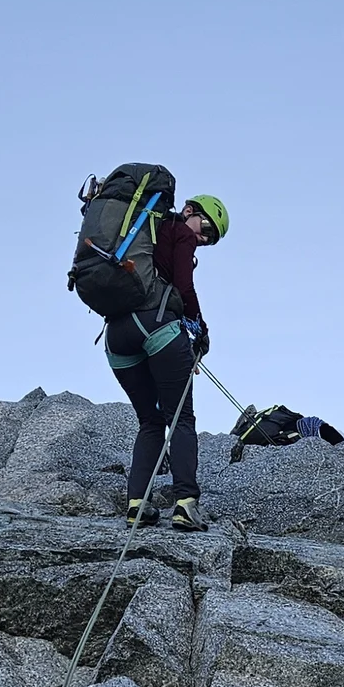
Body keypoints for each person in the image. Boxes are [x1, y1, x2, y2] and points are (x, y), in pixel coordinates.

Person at [104, 194, 228, 529]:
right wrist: (200, 328)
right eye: (205, 226)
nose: (202, 238)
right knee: (181, 419)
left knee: (150, 421)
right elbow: (185, 289)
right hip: (157, 326)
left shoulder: (145, 229)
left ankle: (137, 504)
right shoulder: (180, 231)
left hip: (116, 335)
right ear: (190, 210)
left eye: (209, 239)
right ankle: (186, 504)